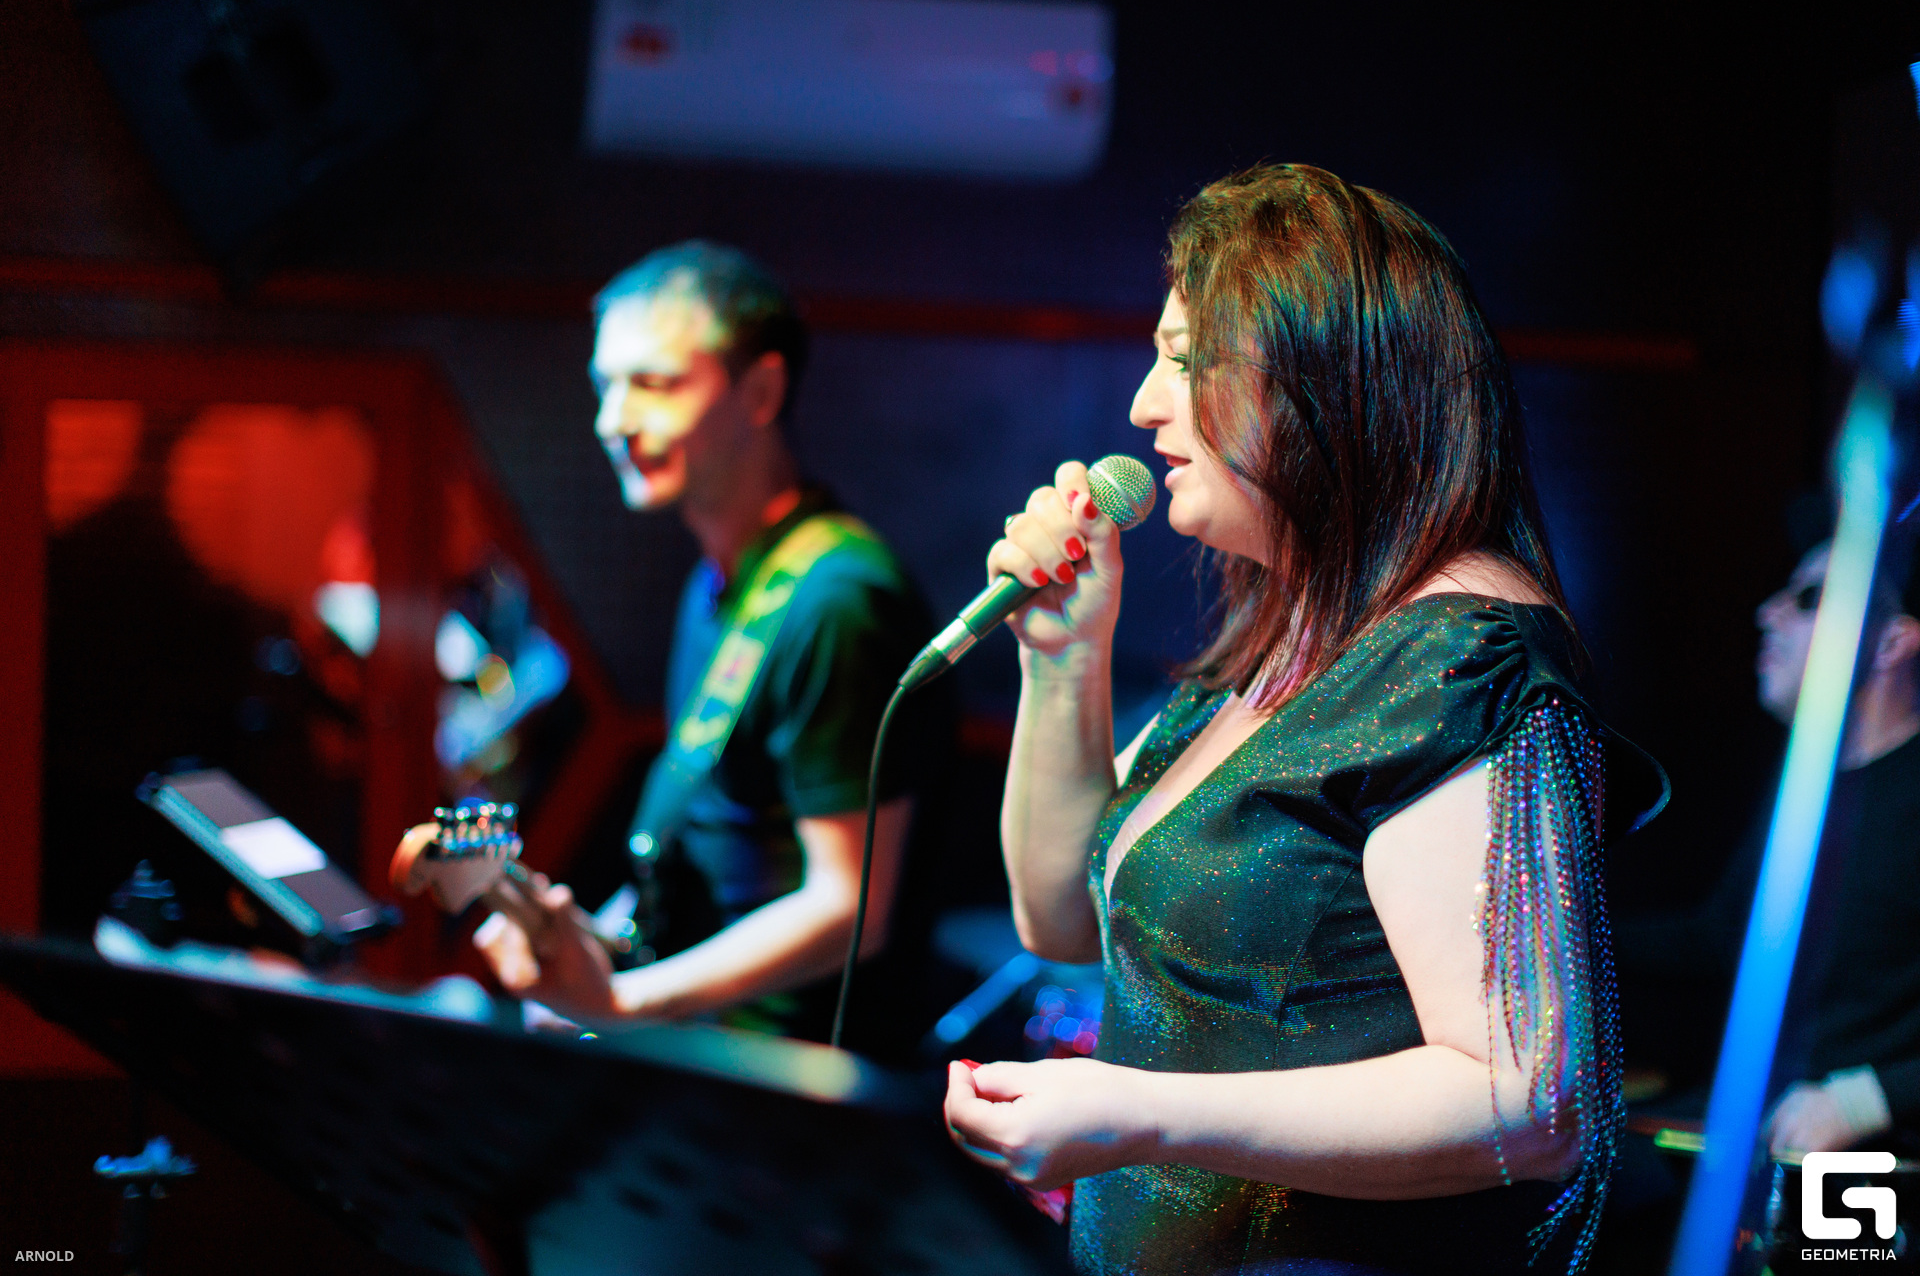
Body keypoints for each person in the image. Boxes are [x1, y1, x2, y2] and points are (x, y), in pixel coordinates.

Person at [941, 165, 1665, 1275]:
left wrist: (1140, 1113)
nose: (1144, 405)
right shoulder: (1288, 635)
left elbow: (1527, 1102)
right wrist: (1063, 658)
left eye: (1188, 359)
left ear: (1324, 376)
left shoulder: (1458, 657)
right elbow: (1060, 920)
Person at [430, 241, 948, 1050]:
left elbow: (850, 906)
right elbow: (714, 846)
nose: (612, 421)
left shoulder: (838, 598)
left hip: (796, 1075)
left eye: (655, 383)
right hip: (717, 1046)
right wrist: (591, 953)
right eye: (606, 385)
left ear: (761, 392)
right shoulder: (718, 582)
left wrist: (624, 1001)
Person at [1621, 534, 1920, 1157]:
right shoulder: (1807, 783)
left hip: (1871, 1167)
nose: (1768, 613)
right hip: (1755, 1126)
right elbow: (1718, 939)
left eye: (1810, 599)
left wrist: (1869, 1099)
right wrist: (1553, 930)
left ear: (1892, 642)